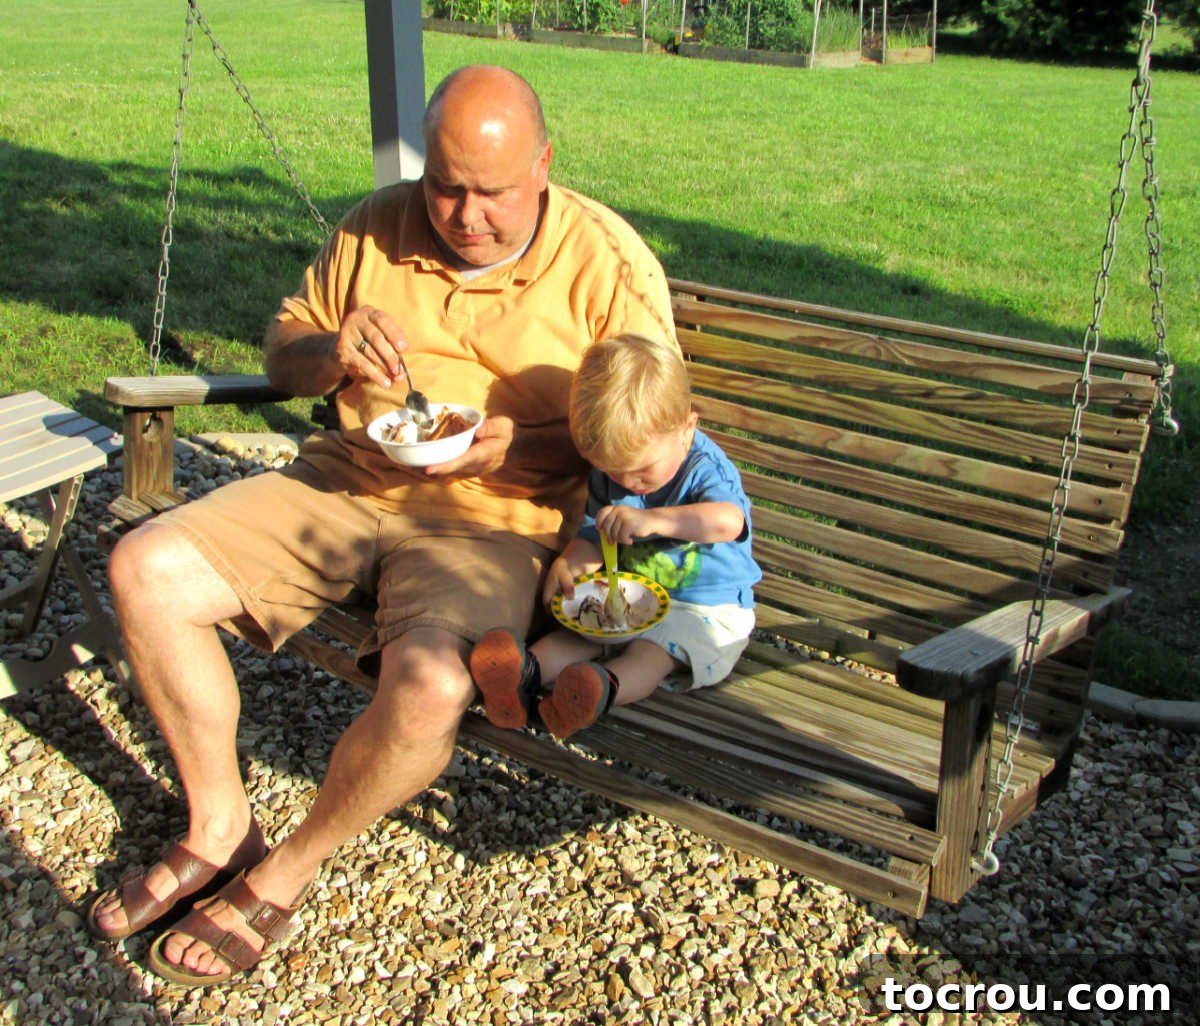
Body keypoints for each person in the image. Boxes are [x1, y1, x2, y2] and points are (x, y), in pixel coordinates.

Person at [87, 64, 676, 985]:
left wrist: (532, 441)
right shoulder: (373, 224)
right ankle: (219, 827)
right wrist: (328, 353)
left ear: (545, 165)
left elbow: (655, 434)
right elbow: (284, 358)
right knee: (144, 569)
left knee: (433, 685)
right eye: (445, 186)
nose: (464, 214)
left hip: (497, 522)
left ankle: (287, 870)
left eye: (492, 193)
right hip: (346, 482)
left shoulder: (606, 260)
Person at [470, 333, 761, 740]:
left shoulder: (706, 469)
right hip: (633, 597)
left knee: (653, 651)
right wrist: (575, 558)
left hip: (704, 610)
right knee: (579, 633)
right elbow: (593, 532)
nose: (628, 483)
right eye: (612, 472)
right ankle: (518, 673)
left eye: (642, 472)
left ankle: (598, 690)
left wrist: (656, 520)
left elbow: (727, 522)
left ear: (686, 428)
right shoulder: (616, 472)